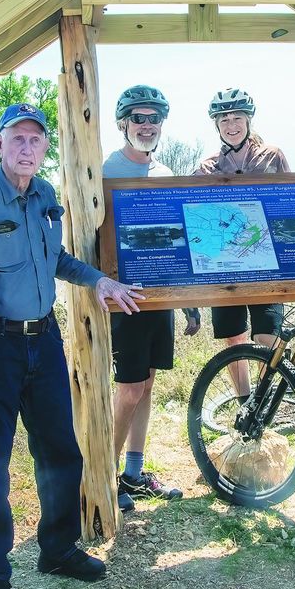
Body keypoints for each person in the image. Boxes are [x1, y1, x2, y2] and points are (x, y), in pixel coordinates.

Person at [0, 103, 144, 589]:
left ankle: (58, 550)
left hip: (44, 339)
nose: (26, 148)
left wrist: (98, 280)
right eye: (16, 138)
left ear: (45, 146)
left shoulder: (44, 195)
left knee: (62, 451)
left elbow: (55, 258)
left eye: (35, 139)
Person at [104, 85, 189, 510]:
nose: (147, 125)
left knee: (148, 382)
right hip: (124, 298)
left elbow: (177, 239)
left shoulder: (165, 172)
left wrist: (187, 301)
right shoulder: (105, 170)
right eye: (138, 118)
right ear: (123, 123)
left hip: (161, 295)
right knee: (129, 388)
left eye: (154, 118)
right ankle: (103, 476)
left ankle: (133, 474)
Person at [193, 88, 291, 398]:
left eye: (237, 118)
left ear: (248, 121)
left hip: (265, 263)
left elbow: (289, 201)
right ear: (216, 125)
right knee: (234, 338)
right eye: (224, 119)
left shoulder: (272, 156)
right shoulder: (206, 166)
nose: (231, 125)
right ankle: (244, 401)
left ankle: (263, 400)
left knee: (267, 336)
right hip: (225, 265)